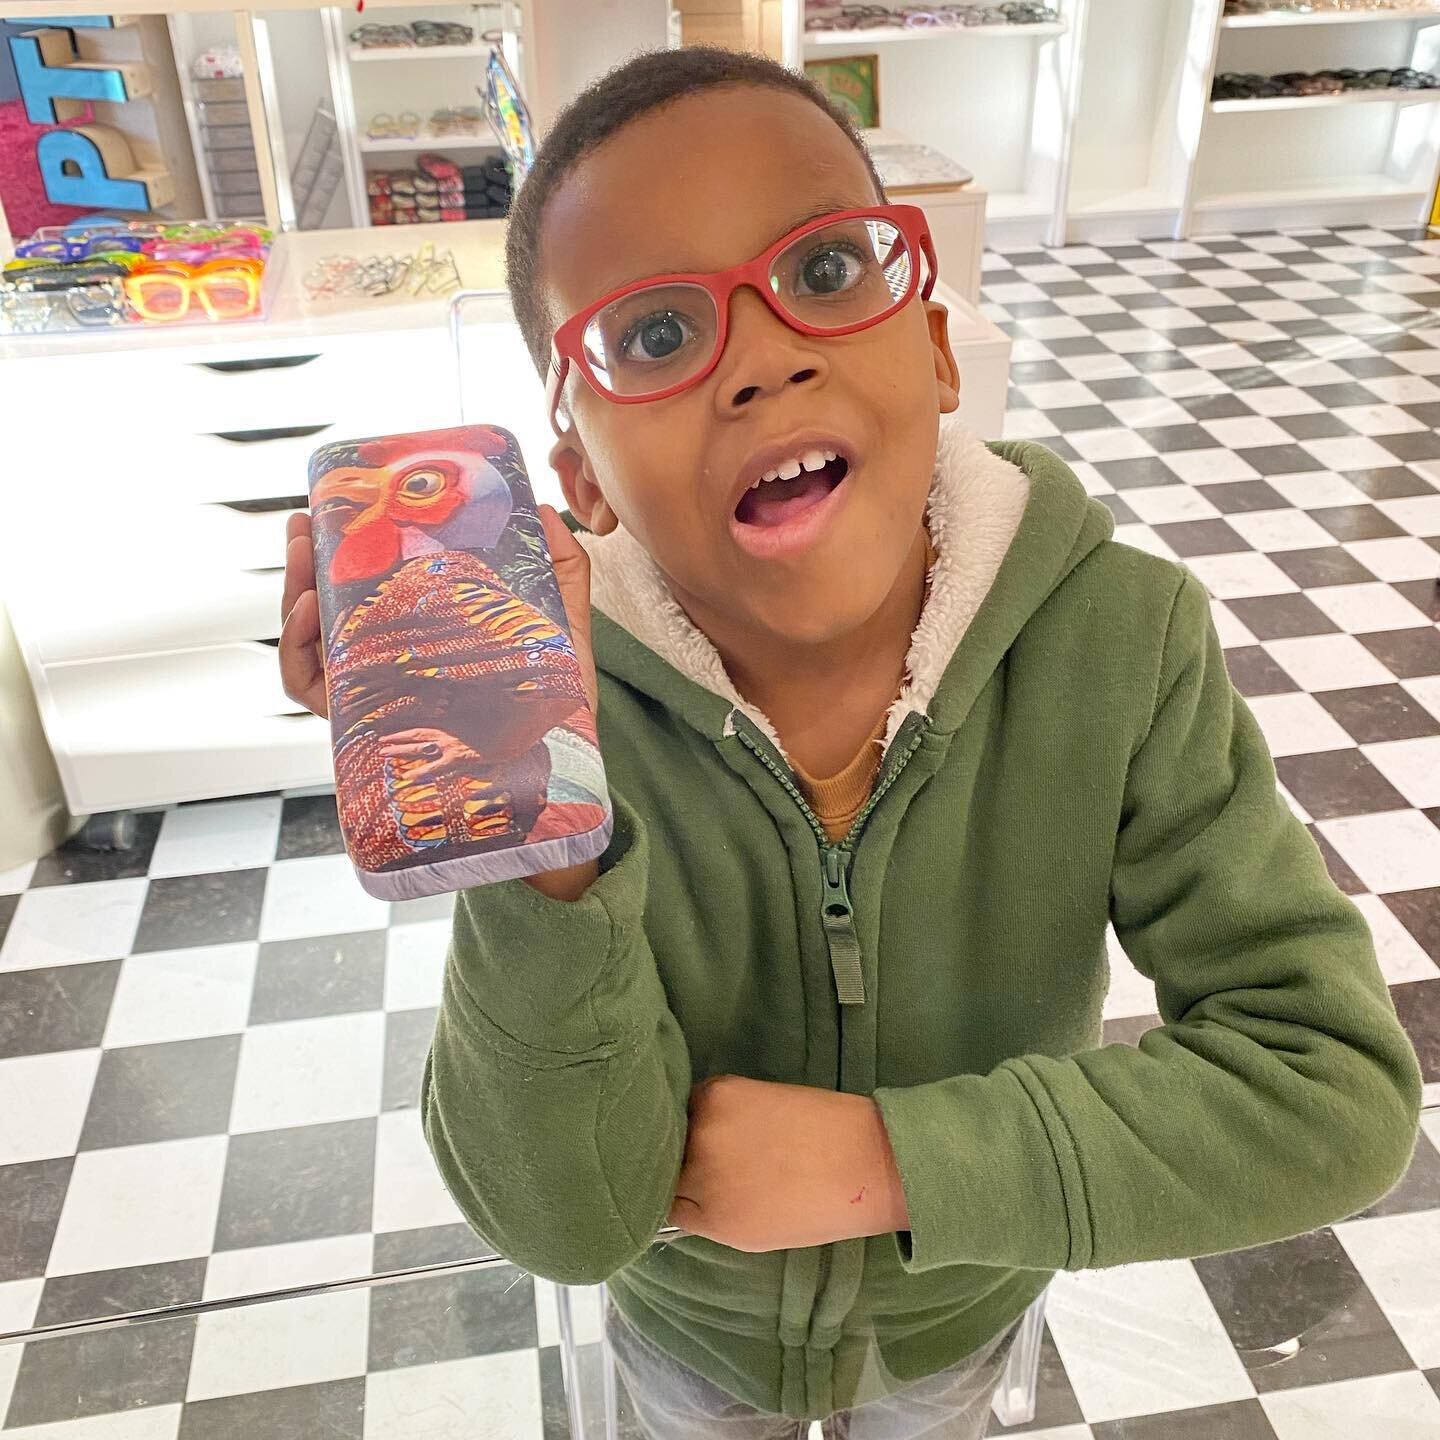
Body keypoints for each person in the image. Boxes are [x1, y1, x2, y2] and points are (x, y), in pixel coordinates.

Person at [278, 45, 1423, 1440]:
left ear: (934, 348)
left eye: (824, 272)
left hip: (956, 1314)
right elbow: (565, 1222)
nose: (762, 356)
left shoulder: (1119, 644)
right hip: (686, 1337)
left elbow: (1335, 1094)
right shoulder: (565, 715)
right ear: (580, 478)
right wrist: (537, 820)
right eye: (652, 335)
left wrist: (895, 1165)